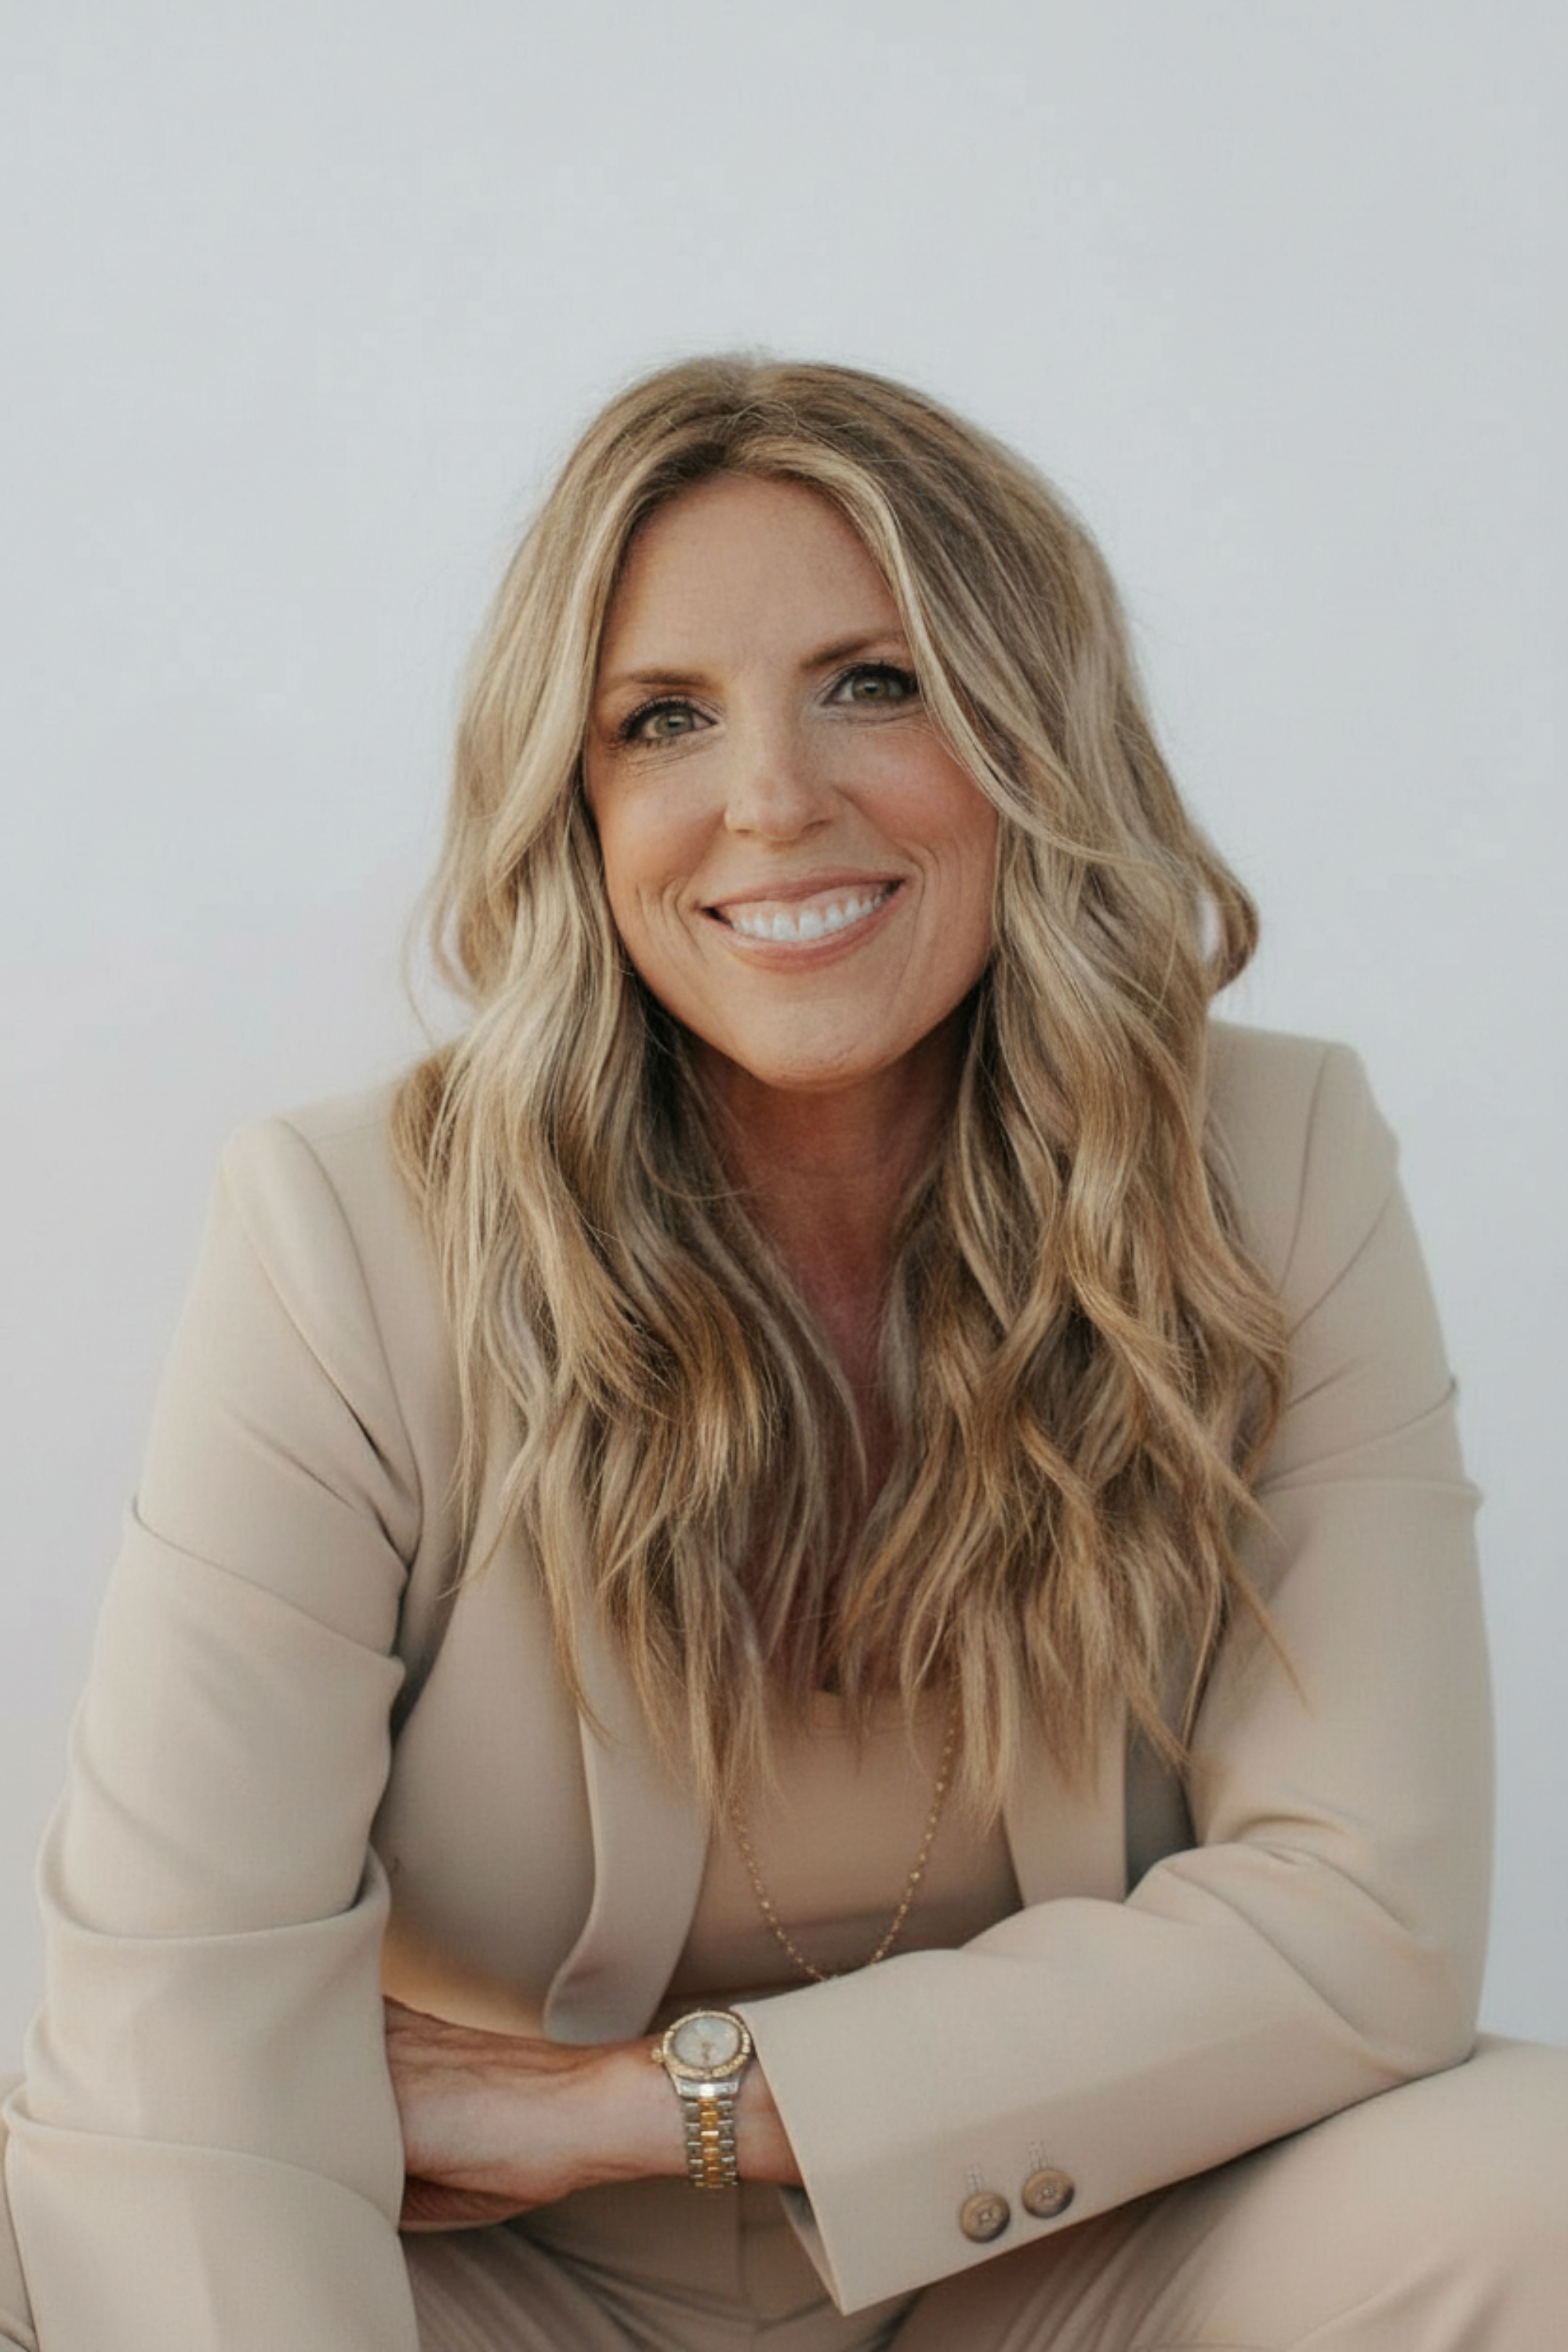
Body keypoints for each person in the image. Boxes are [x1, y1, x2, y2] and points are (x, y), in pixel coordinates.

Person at [2, 355, 1564, 2352]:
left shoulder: (1269, 1160)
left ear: (1028, 732)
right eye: (663, 718)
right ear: (574, 800)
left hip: (1063, 2263)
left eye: (874, 684)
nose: (770, 800)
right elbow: (179, 2025)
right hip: (486, 2284)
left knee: (1537, 2185)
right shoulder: (347, 1231)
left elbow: (1363, 1916)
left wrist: (645, 2107)